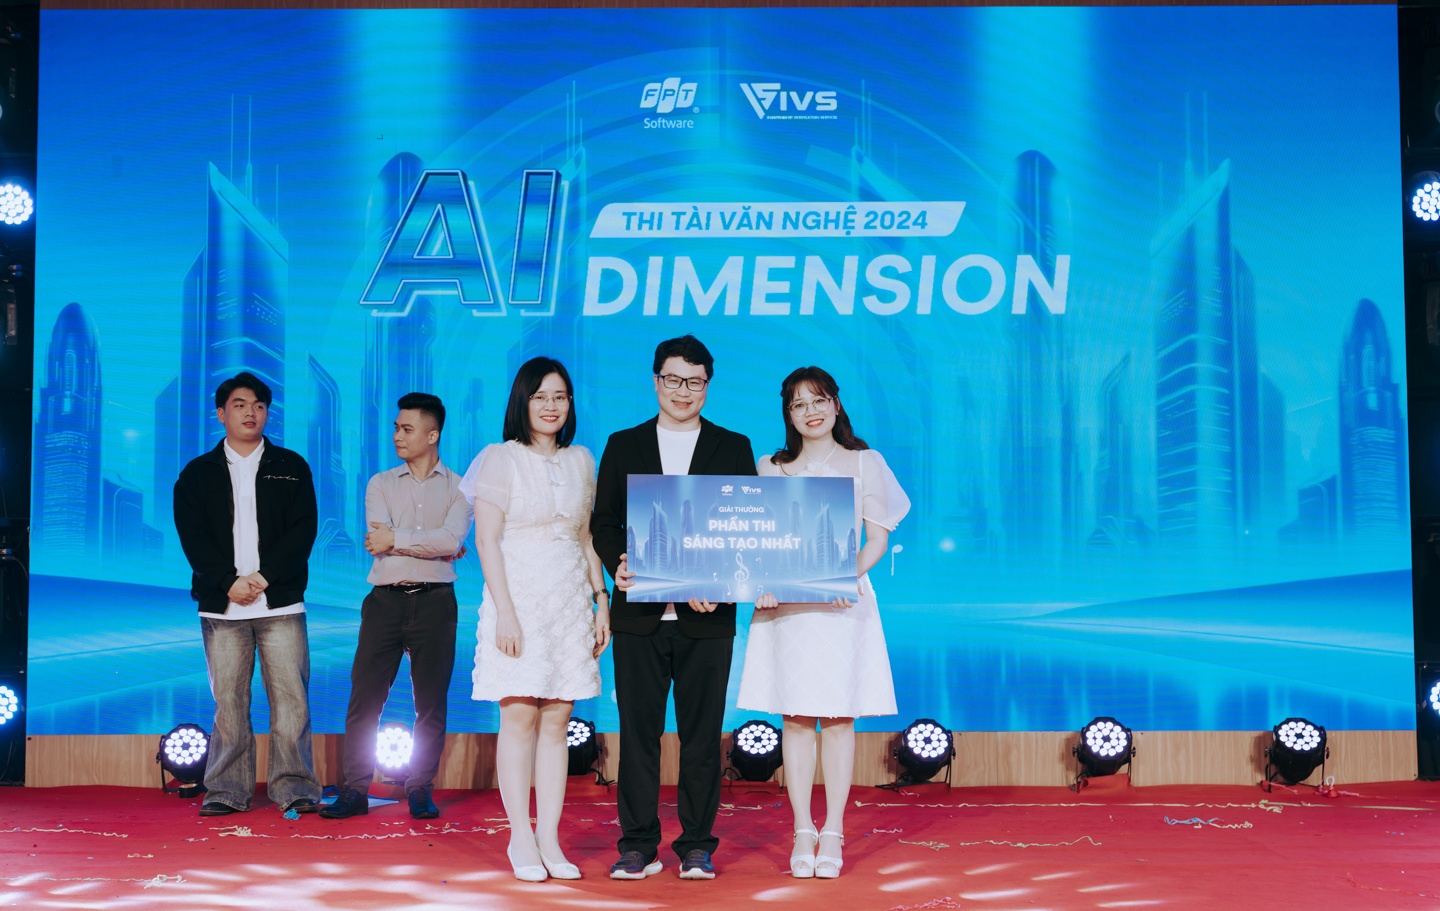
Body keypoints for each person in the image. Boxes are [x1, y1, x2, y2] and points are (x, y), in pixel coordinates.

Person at [591, 335, 757, 881]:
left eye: (695, 382)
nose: (683, 391)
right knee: (637, 736)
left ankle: (696, 846)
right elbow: (605, 521)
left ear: (708, 385)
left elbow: (743, 527)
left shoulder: (733, 446)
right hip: (638, 615)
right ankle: (637, 845)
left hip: (707, 619)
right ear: (655, 380)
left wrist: (720, 582)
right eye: (673, 379)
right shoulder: (624, 444)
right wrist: (617, 562)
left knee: (702, 738)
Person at [737, 365, 910, 879]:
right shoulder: (770, 468)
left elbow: (876, 540)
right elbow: (757, 541)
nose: (810, 412)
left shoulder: (865, 461)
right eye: (798, 404)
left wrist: (841, 577)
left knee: (838, 718)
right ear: (788, 415)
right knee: (794, 718)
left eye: (818, 400)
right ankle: (802, 830)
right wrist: (762, 582)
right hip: (786, 608)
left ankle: (832, 829)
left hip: (841, 603)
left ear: (835, 404)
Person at [462, 357, 612, 883]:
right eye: (540, 396)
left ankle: (549, 837)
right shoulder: (500, 458)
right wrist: (505, 611)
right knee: (520, 717)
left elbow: (587, 538)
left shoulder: (582, 460)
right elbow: (486, 541)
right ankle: (519, 837)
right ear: (522, 402)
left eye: (560, 396)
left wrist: (600, 600)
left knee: (558, 721)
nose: (551, 406)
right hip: (518, 598)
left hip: (568, 598)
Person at [173, 371, 322, 817]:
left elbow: (303, 530)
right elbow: (192, 537)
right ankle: (226, 790)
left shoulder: (291, 466)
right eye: (239, 405)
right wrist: (227, 582)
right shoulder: (197, 473)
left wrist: (264, 578)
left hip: (280, 603)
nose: (250, 412)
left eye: (258, 405)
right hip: (222, 607)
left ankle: (294, 787)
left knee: (291, 701)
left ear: (267, 413)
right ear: (221, 413)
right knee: (229, 705)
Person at [321, 393, 472, 821]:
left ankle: (420, 788)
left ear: (432, 435)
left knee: (431, 703)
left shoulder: (462, 488)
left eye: (406, 429)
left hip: (436, 603)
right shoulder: (380, 483)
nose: (397, 436)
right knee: (364, 700)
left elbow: (451, 540)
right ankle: (354, 790)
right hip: (384, 602)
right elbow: (378, 540)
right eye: (395, 427)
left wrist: (401, 541)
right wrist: (432, 545)